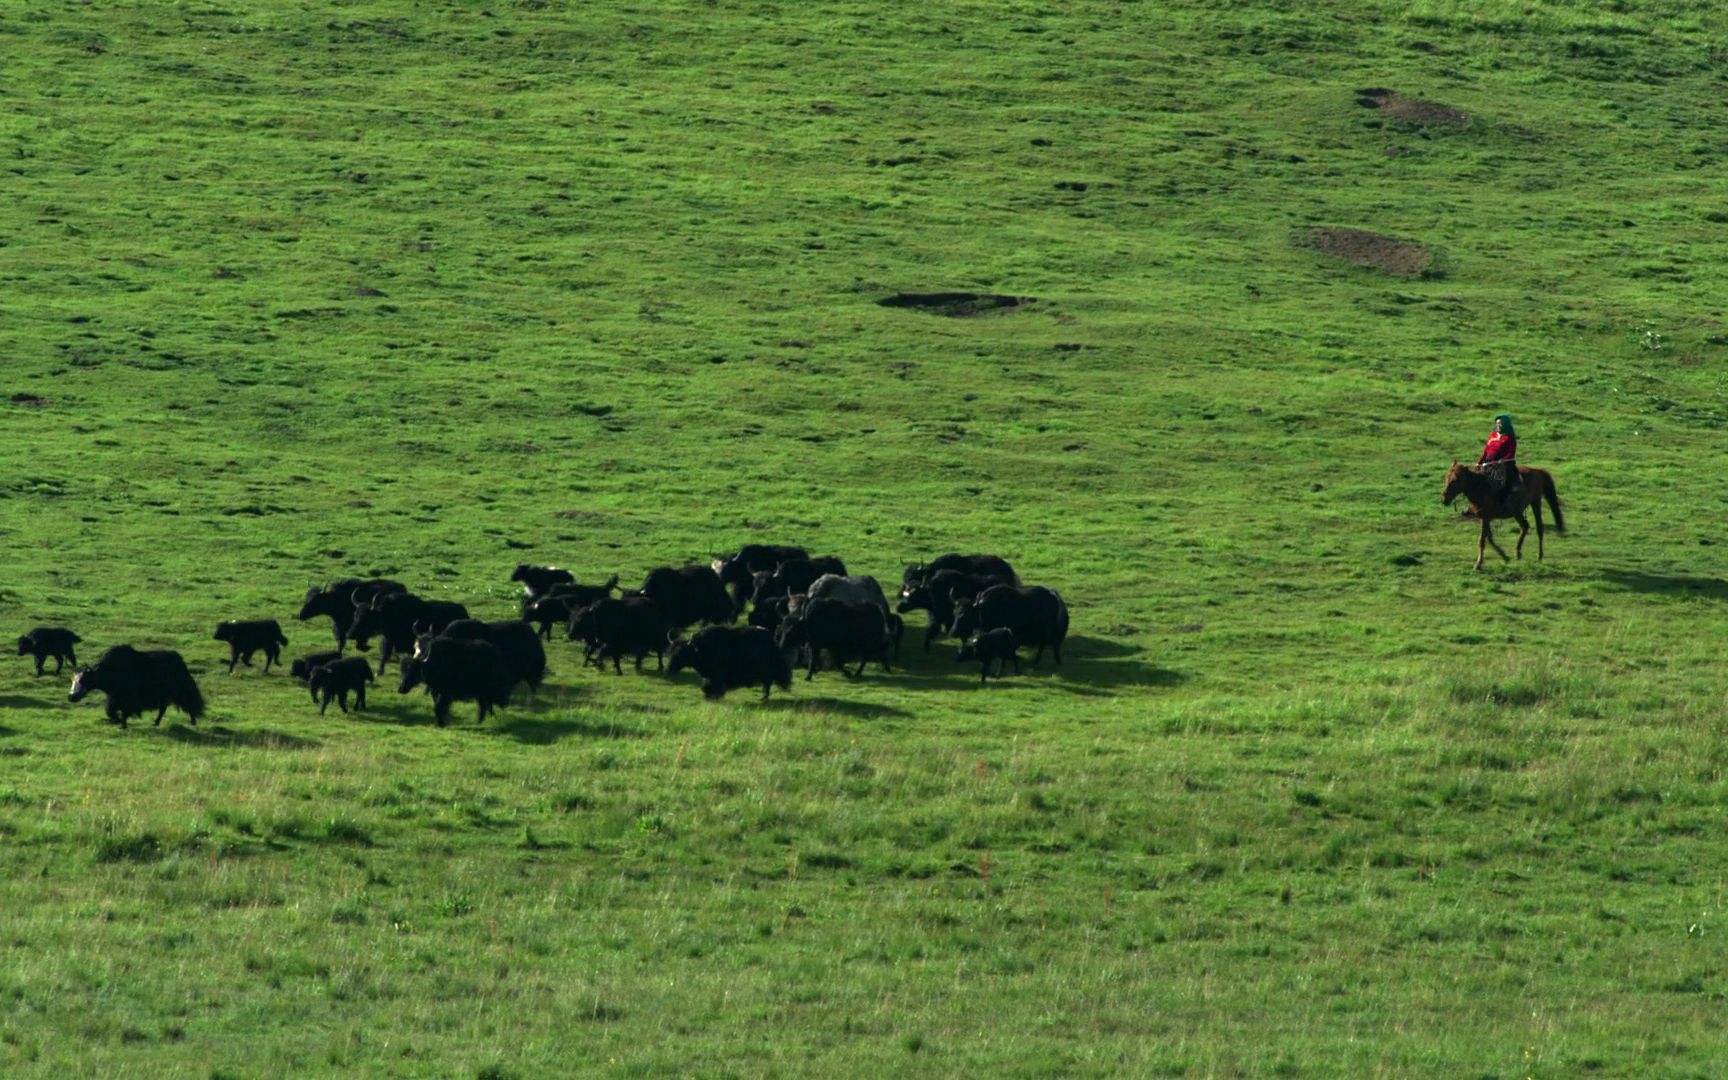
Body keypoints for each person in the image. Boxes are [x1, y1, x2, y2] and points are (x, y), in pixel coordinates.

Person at [1476, 413, 1520, 507]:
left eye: (1500, 423)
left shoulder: (1510, 438)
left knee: (1498, 481)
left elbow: (1510, 454)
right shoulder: (1493, 435)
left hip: (1503, 463)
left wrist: (1497, 462)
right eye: (1497, 423)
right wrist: (1479, 462)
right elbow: (1486, 450)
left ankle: (1502, 501)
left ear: (1505, 424)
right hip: (1487, 463)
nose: (1498, 425)